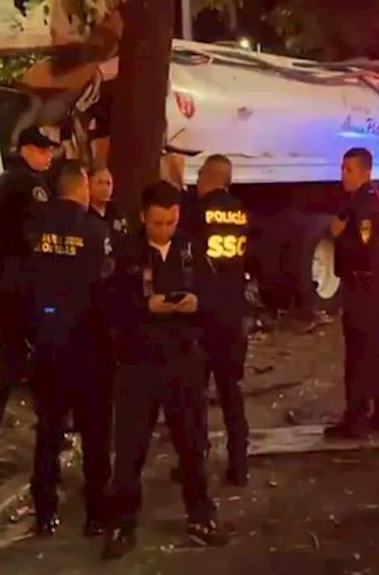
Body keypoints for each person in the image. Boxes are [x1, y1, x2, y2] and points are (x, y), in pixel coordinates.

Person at [103, 181, 229, 559]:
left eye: (171, 221)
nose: (165, 229)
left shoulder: (191, 247)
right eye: (158, 223)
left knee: (192, 445)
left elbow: (215, 294)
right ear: (144, 218)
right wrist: (146, 307)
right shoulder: (126, 253)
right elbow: (110, 306)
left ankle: (200, 516)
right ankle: (122, 525)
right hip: (138, 365)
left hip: (184, 362)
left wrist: (197, 303)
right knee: (129, 451)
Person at [21, 161, 114, 536]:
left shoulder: (33, 227)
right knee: (95, 433)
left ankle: (44, 511)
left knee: (48, 430)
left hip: (48, 342)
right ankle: (96, 513)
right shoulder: (95, 230)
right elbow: (107, 285)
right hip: (88, 345)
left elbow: (24, 282)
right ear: (82, 188)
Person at [0, 127, 60, 456]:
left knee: (5, 364)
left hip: (7, 284)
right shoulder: (28, 183)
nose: (47, 154)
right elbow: (42, 231)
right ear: (24, 149)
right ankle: (52, 432)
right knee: (39, 362)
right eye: (41, 149)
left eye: (49, 149)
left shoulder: (7, 179)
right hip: (26, 285)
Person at [177, 154, 253, 485]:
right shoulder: (243, 212)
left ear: (206, 178)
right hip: (232, 315)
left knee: (194, 394)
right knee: (231, 393)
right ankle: (239, 464)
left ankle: (194, 460)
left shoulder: (195, 211)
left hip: (201, 314)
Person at [325, 147, 379, 439]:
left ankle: (356, 418)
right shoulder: (367, 200)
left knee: (359, 354)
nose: (343, 175)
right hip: (371, 288)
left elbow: (365, 248)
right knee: (377, 353)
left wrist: (340, 234)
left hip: (363, 288)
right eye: (342, 169)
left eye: (349, 169)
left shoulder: (365, 205)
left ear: (366, 172)